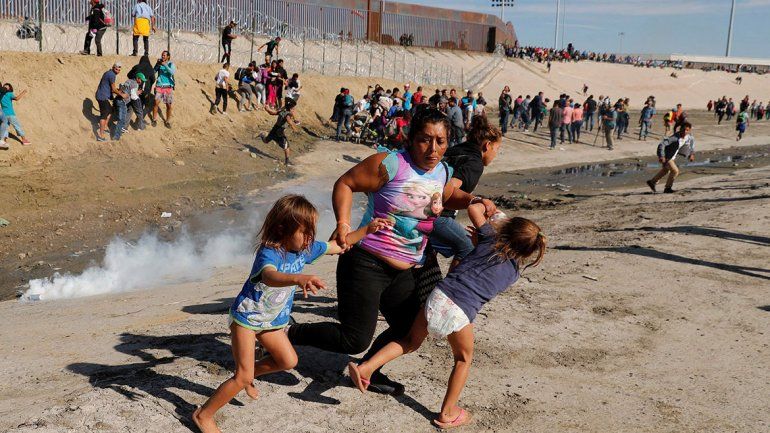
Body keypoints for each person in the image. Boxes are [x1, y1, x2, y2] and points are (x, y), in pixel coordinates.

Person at [287, 109, 497, 396]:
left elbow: (447, 196)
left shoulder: (443, 171)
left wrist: (474, 199)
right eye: (425, 140)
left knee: (410, 328)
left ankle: (370, 370)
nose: (433, 149)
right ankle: (288, 333)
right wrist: (343, 224)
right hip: (365, 262)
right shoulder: (391, 164)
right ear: (411, 139)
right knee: (353, 339)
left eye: (441, 141)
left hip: (407, 267)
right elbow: (346, 183)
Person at [192, 194, 392, 433]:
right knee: (242, 376)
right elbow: (269, 276)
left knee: (288, 361)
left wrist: (367, 230)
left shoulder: (305, 250)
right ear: (281, 229)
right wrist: (298, 278)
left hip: (272, 321)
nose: (310, 239)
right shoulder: (270, 253)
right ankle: (204, 414)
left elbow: (338, 245)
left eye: (312, 232)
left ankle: (246, 376)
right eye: (304, 232)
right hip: (247, 319)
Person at [348, 208, 546, 429]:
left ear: (506, 229)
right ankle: (448, 413)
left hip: (438, 295)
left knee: (410, 342)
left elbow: (475, 209)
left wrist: (490, 210)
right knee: (463, 359)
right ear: (529, 252)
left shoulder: (489, 237)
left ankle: (366, 368)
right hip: (460, 311)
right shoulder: (513, 273)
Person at [430, 115, 502, 269]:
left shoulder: (454, 150)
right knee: (469, 247)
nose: (496, 154)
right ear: (487, 145)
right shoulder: (475, 163)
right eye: (497, 149)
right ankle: (451, 290)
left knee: (429, 255)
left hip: (419, 206)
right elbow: (449, 188)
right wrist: (475, 200)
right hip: (436, 215)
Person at [646, 122, 694, 194]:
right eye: (683, 130)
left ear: (689, 130)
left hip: (672, 156)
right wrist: (661, 156)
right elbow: (661, 144)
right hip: (667, 156)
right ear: (680, 129)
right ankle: (668, 188)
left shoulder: (689, 137)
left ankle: (652, 182)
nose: (685, 132)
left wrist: (691, 154)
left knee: (665, 170)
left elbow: (691, 145)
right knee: (675, 171)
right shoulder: (674, 138)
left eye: (687, 130)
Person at [259, 97, 298, 165]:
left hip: (274, 129)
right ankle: (287, 161)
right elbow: (289, 121)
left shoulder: (282, 111)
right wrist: (294, 128)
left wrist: (267, 109)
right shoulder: (288, 114)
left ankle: (262, 135)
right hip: (279, 132)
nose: (294, 110)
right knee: (286, 146)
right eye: (293, 109)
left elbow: (272, 113)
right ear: (291, 109)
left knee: (266, 141)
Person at [112, 73, 145, 140]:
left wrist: (136, 93)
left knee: (131, 108)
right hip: (122, 102)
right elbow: (133, 96)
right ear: (138, 78)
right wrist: (138, 100)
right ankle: (116, 136)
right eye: (141, 80)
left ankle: (122, 128)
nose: (142, 82)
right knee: (121, 120)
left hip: (118, 99)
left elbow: (128, 91)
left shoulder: (129, 81)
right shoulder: (135, 84)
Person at [95, 62, 122, 142]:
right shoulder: (112, 75)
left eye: (119, 70)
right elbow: (113, 89)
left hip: (102, 95)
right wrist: (121, 94)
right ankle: (101, 135)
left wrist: (114, 94)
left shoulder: (109, 73)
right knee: (104, 115)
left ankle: (105, 127)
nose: (117, 71)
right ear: (113, 67)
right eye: (116, 69)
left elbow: (109, 87)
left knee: (110, 110)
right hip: (102, 97)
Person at [152, 51, 176, 128]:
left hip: (168, 87)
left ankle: (167, 121)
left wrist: (165, 65)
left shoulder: (171, 64)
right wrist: (157, 65)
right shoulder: (159, 64)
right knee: (156, 103)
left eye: (164, 55)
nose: (163, 56)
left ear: (168, 56)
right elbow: (153, 72)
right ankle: (154, 119)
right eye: (162, 55)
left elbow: (172, 72)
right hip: (159, 86)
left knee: (168, 105)